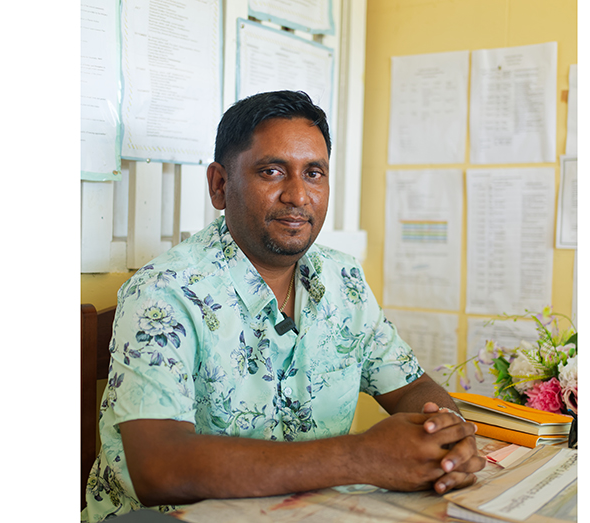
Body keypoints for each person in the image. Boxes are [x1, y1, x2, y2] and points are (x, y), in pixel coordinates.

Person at [82, 90, 485, 522]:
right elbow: (159, 469)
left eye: (314, 173)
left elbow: (410, 386)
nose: (297, 195)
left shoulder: (343, 280)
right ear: (220, 185)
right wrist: (360, 458)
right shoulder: (164, 292)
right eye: (272, 171)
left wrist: (445, 439)